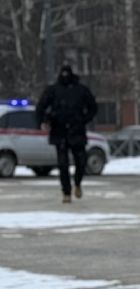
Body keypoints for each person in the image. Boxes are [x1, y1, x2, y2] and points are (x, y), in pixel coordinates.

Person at [35, 63, 98, 204]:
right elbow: (41, 107)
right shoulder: (53, 90)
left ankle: (77, 183)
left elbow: (93, 107)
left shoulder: (81, 90)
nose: (65, 76)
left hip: (77, 131)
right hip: (59, 131)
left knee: (81, 162)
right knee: (63, 165)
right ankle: (66, 192)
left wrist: (83, 120)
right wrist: (44, 121)